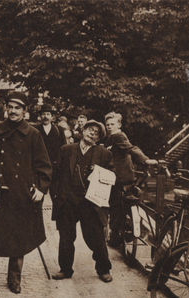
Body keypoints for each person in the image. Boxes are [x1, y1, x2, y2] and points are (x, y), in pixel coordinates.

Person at [0, 92, 52, 294]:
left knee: (18, 238)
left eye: (18, 107)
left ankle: (14, 280)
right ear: (6, 108)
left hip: (22, 194)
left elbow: (45, 166)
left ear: (25, 111)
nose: (13, 111)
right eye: (10, 106)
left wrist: (41, 189)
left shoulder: (33, 134)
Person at [51, 119, 115, 283]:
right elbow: (54, 174)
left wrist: (100, 172)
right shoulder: (66, 150)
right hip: (67, 200)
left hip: (90, 203)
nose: (93, 133)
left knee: (96, 237)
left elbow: (112, 177)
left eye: (97, 132)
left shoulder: (104, 154)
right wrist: (56, 195)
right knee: (66, 237)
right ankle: (65, 269)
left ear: (99, 138)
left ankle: (103, 269)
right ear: (83, 130)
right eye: (90, 129)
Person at [104, 112, 157, 247]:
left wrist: (145, 160)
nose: (109, 127)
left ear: (119, 125)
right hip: (121, 177)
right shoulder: (111, 137)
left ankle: (115, 237)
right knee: (118, 205)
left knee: (115, 206)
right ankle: (120, 231)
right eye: (107, 124)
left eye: (112, 124)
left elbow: (132, 148)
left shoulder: (118, 136)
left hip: (120, 178)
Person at [33, 104, 68, 196]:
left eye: (48, 114)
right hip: (39, 168)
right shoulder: (35, 130)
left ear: (52, 117)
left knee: (56, 196)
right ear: (40, 117)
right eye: (43, 114)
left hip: (55, 169)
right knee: (38, 195)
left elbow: (64, 148)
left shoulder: (58, 130)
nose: (45, 116)